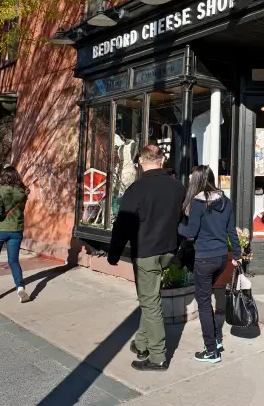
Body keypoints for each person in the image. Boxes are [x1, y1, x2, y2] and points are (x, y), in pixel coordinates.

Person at [108, 145, 186, 372]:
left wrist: (113, 254)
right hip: (168, 249)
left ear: (141, 163)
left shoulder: (137, 188)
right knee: (148, 298)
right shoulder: (178, 187)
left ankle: (158, 356)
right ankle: (142, 343)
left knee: (151, 303)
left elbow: (122, 225)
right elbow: (182, 218)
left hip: (146, 252)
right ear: (162, 161)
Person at [179, 165, 240, 364]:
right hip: (222, 258)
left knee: (204, 303)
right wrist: (237, 253)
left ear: (196, 181)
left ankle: (211, 350)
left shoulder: (198, 204)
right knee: (208, 298)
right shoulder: (226, 201)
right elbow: (232, 232)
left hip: (204, 259)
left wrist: (176, 225)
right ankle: (216, 340)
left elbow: (190, 233)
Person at [0, 166, 31, 303]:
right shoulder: (23, 192)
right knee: (13, 261)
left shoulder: (0, 191)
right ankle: (20, 288)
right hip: (16, 230)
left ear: (3, 177)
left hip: (0, 230)